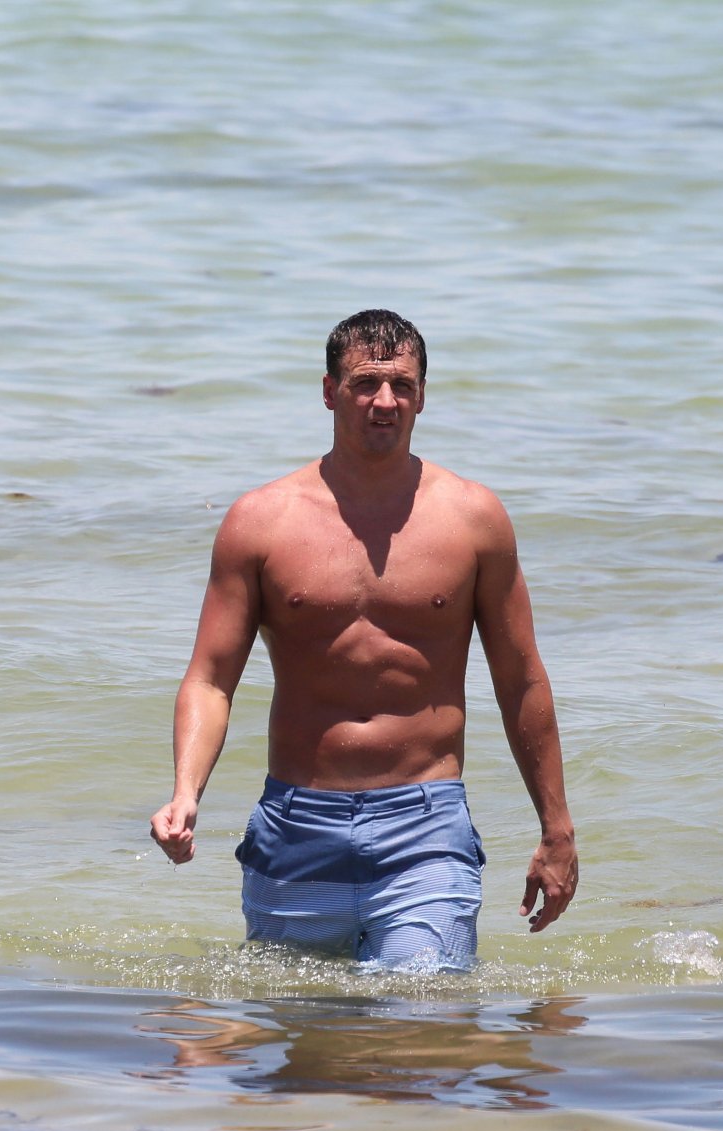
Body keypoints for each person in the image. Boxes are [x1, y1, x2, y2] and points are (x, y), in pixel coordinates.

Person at [148, 309, 578, 971]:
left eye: (402, 385)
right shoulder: (260, 521)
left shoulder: (473, 519)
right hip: (296, 822)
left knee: (420, 1018)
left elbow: (519, 678)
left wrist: (556, 827)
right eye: (365, 383)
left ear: (423, 396)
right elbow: (210, 679)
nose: (385, 401)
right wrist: (186, 793)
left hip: (425, 826)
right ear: (329, 391)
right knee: (303, 1029)